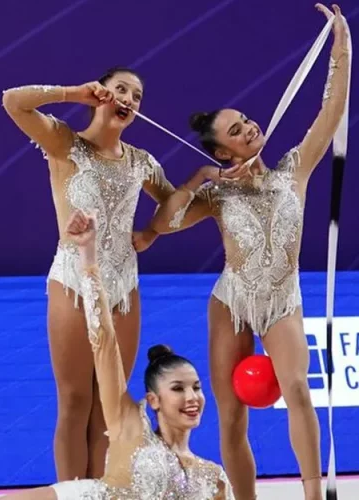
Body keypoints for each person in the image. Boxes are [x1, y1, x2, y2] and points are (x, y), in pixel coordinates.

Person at [141, 5, 349, 499]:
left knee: (298, 391)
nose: (249, 128)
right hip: (231, 301)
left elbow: (330, 112)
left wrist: (341, 45)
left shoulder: (293, 171)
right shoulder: (217, 195)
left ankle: (314, 495)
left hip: (282, 300)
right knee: (231, 416)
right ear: (222, 153)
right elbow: (164, 223)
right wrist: (200, 177)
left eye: (247, 121)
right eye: (235, 131)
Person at [1, 68, 175, 480]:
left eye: (137, 95)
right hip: (73, 282)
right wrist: (73, 93)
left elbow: (176, 206)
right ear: (102, 94)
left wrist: (152, 231)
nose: (128, 99)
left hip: (124, 288)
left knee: (108, 408)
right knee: (75, 401)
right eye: (120, 89)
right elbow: (13, 101)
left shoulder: (141, 162)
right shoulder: (65, 144)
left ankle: (102, 491)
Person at [0, 210, 232, 500]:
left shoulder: (213, 478)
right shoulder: (130, 423)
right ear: (153, 400)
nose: (192, 397)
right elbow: (105, 344)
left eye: (196, 387)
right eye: (178, 388)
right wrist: (88, 259)